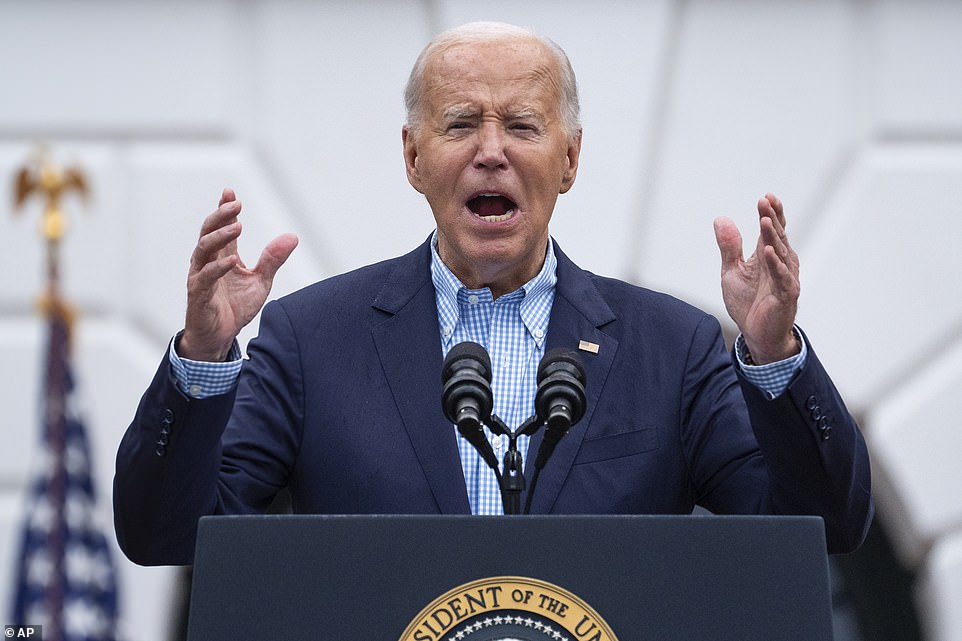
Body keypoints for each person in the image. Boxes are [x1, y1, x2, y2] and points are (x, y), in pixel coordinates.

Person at [113, 22, 873, 566]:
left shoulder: (671, 348)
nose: (490, 151)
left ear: (569, 158)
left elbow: (822, 527)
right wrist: (204, 357)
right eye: (459, 123)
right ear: (413, 156)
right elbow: (166, 536)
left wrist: (774, 358)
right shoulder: (312, 339)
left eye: (521, 124)